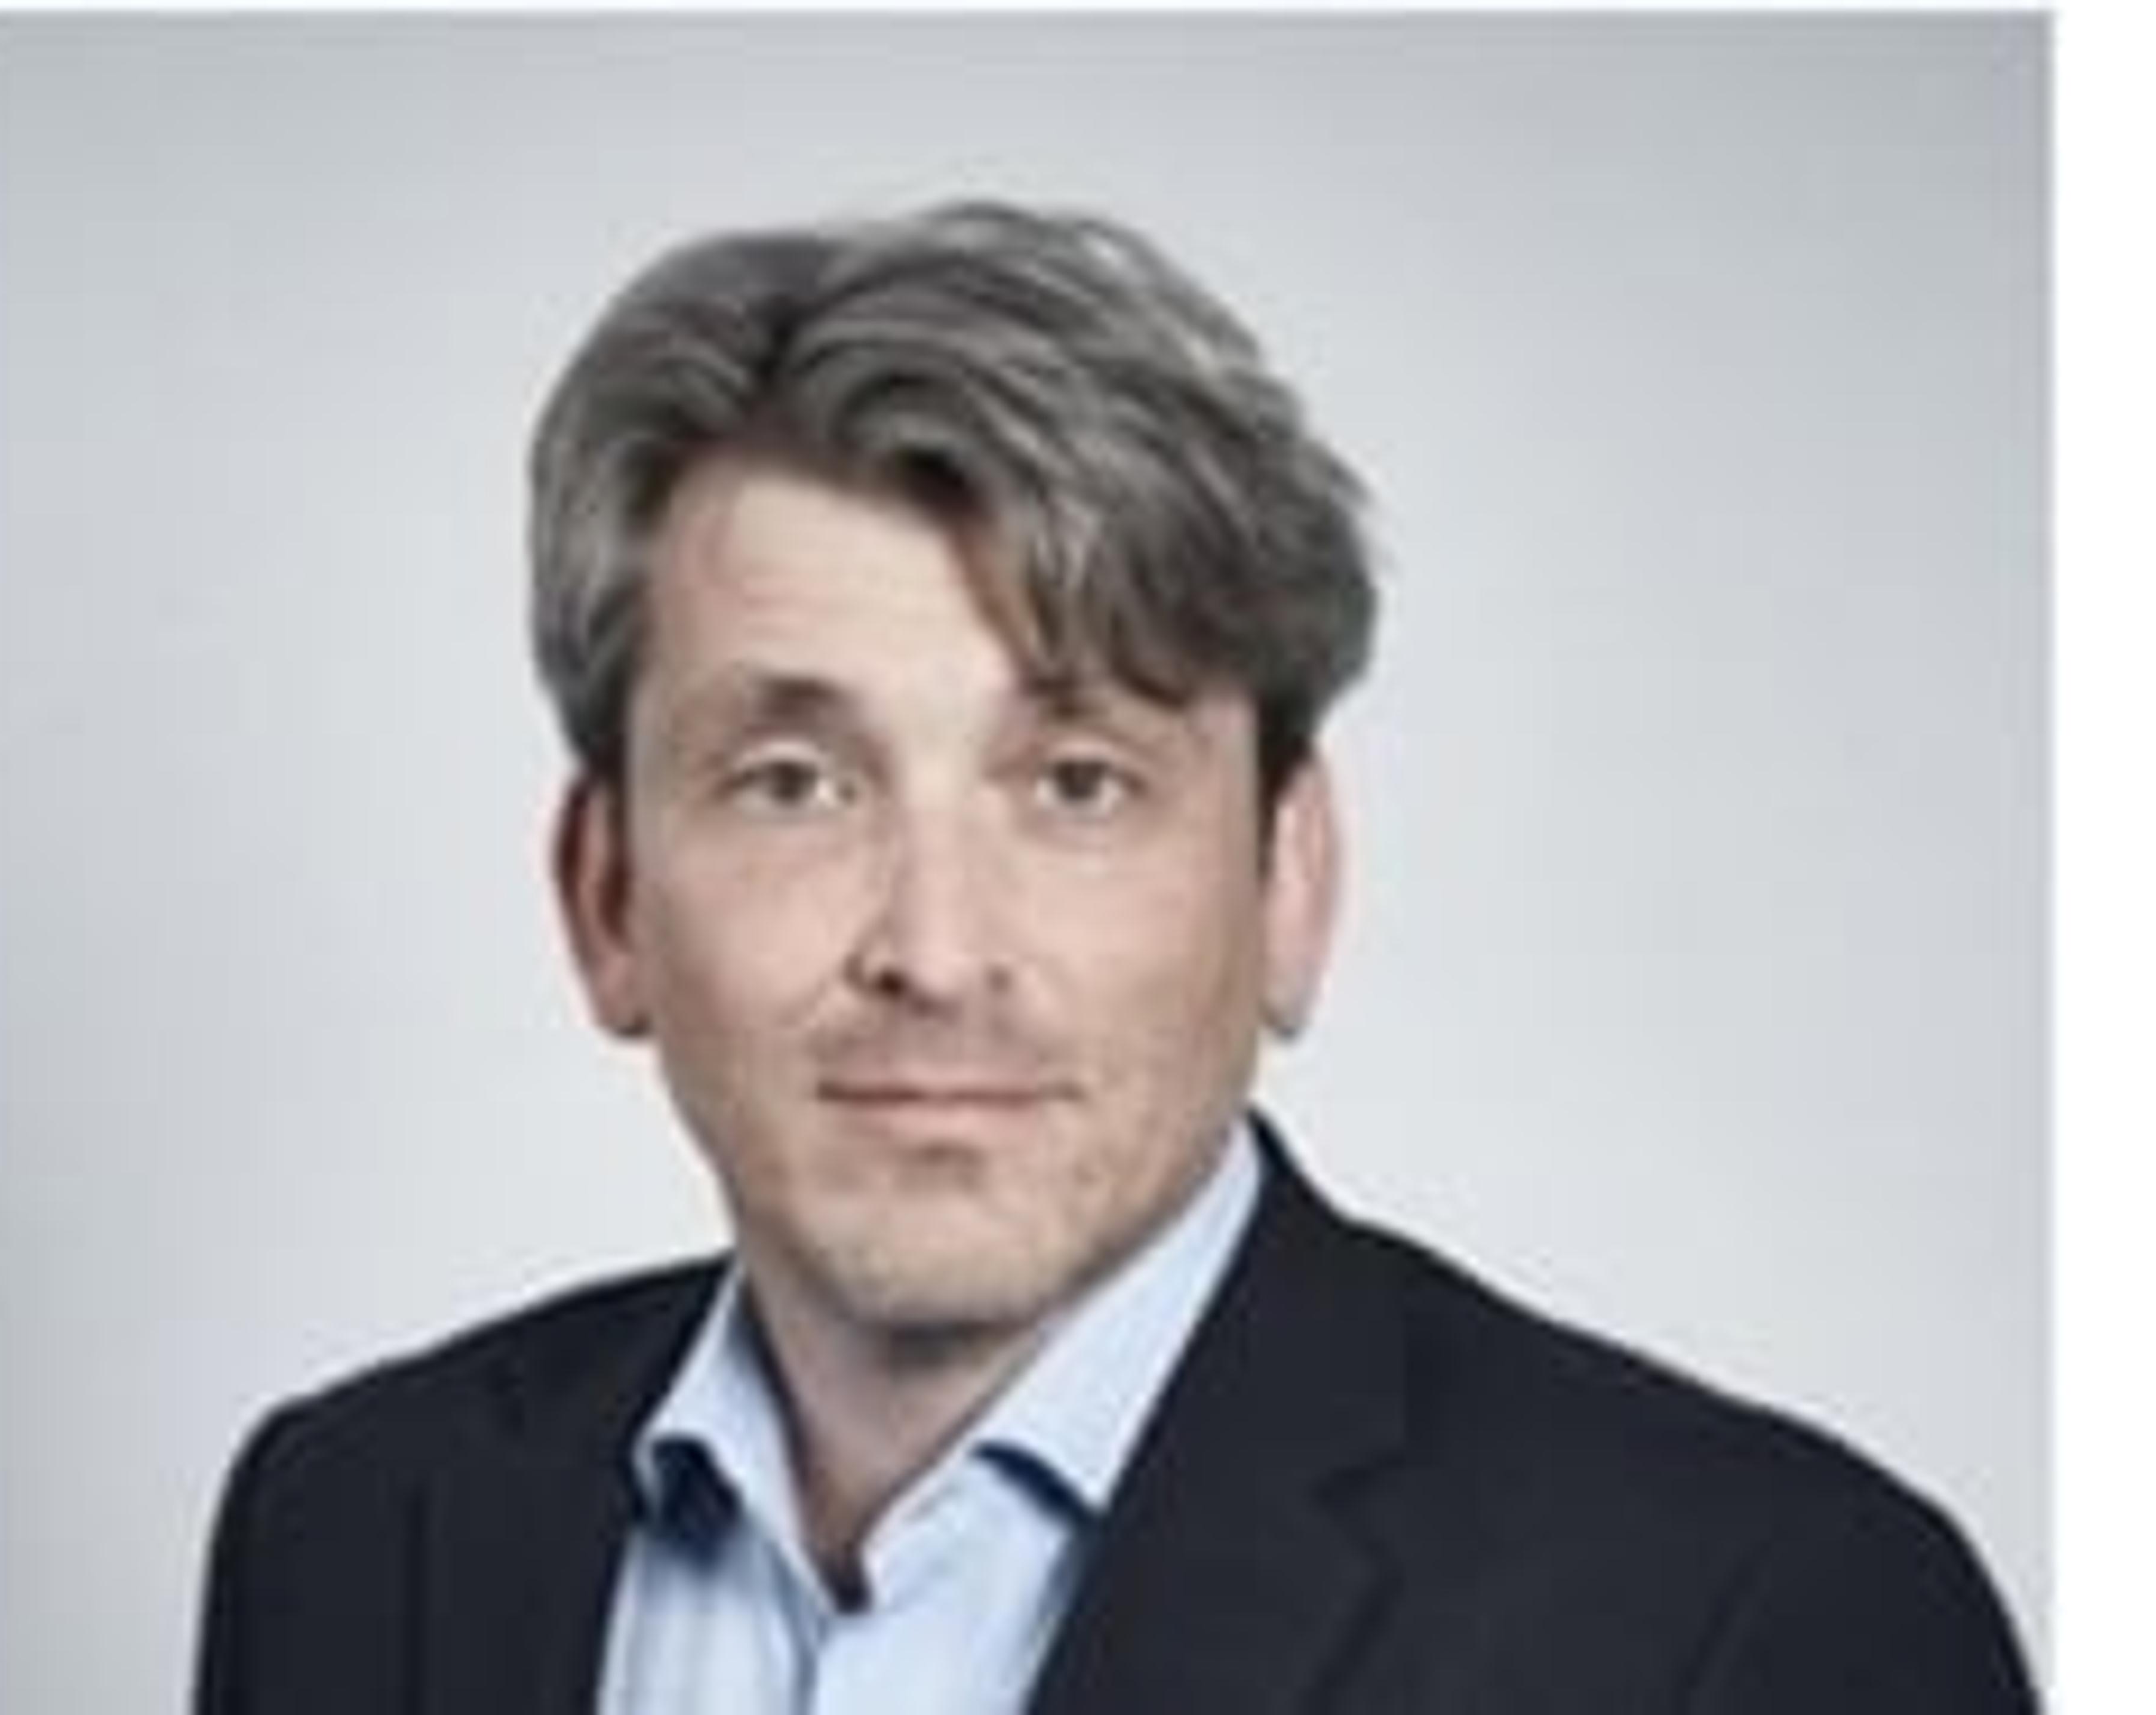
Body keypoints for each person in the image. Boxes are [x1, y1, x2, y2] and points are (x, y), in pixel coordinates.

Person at [192, 201, 2038, 1714]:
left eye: (1078, 783)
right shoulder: (352, 1527)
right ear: (607, 901)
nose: (937, 951)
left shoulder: (1761, 1624)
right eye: (795, 782)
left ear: (1288, 880)